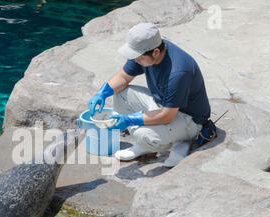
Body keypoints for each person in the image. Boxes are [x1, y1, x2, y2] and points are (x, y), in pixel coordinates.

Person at [88, 22, 211, 167]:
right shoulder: (146, 50)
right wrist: (102, 93)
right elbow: (123, 77)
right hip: (163, 105)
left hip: (189, 119)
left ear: (156, 52)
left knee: (143, 134)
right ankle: (148, 144)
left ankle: (181, 141)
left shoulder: (178, 72)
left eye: (138, 58)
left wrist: (129, 119)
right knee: (121, 94)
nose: (135, 60)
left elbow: (167, 116)